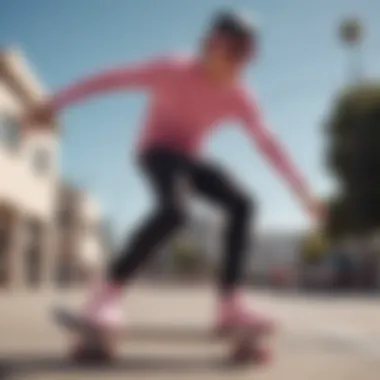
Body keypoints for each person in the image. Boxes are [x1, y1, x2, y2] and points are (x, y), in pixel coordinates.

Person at [24, 10, 321, 340]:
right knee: (175, 211)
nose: (236, 64)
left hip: (189, 156)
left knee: (244, 203)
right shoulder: (172, 68)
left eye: (245, 56)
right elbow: (109, 80)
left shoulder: (240, 95)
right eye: (231, 51)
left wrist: (302, 190)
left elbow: (268, 141)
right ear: (209, 46)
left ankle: (230, 304)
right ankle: (105, 295)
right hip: (155, 151)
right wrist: (54, 103)